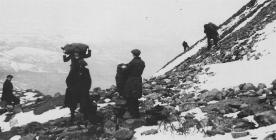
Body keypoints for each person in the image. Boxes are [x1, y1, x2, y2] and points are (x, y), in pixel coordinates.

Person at [124, 49, 145, 118]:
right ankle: (136, 113)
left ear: (133, 54)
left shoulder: (133, 62)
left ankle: (133, 113)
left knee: (130, 96)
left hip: (131, 80)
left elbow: (127, 70)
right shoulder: (142, 62)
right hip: (138, 80)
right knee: (135, 96)